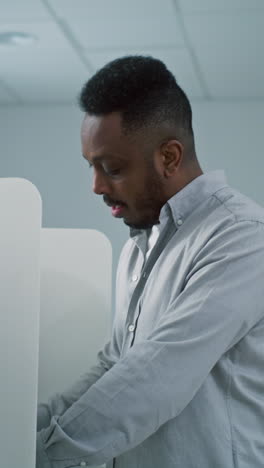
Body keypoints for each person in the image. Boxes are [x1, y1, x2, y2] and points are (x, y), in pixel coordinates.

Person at [36, 56, 264, 468]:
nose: (96, 186)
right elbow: (117, 364)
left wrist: (39, 455)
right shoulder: (138, 247)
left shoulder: (241, 237)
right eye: (91, 167)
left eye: (112, 168)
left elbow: (158, 376)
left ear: (170, 157)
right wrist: (25, 429)